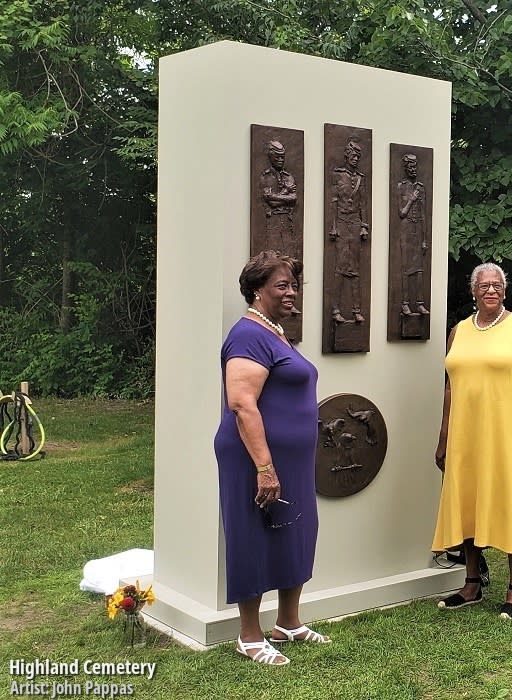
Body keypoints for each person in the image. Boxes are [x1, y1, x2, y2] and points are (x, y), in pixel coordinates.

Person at [213, 250, 329, 666]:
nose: (291, 292)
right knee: (254, 534)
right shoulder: (247, 335)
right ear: (257, 290)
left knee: (295, 531)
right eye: (282, 285)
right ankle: (249, 635)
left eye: (293, 285)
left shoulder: (275, 332)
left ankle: (289, 623)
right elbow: (242, 404)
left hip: (291, 460)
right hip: (255, 458)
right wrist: (264, 467)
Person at [431, 263, 512, 619]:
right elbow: (451, 386)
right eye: (484, 285)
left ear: (505, 291)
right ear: (473, 291)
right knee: (466, 502)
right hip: (467, 434)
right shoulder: (459, 331)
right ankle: (471, 583)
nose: (491, 290)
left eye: (497, 285)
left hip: (510, 432)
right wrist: (444, 436)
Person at [329, 138, 369, 324]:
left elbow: (363, 204)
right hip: (342, 224)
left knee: (355, 269)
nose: (355, 159)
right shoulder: (338, 175)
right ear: (347, 155)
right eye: (353, 155)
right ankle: (336, 309)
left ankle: (355, 310)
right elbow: (334, 202)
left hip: (354, 224)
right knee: (340, 267)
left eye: (358, 156)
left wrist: (364, 226)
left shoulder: (361, 178)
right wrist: (333, 226)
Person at [397, 153, 429, 317]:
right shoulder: (401, 187)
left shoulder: (421, 188)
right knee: (406, 269)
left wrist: (424, 239)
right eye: (410, 167)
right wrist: (411, 199)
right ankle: (405, 304)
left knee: (419, 270)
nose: (413, 170)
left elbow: (424, 215)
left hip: (417, 231)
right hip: (406, 231)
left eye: (415, 167)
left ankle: (420, 303)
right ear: (405, 168)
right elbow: (401, 213)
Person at [260, 140, 297, 253]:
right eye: (277, 157)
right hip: (274, 220)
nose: (281, 160)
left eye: (282, 157)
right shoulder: (265, 177)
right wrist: (286, 191)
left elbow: (294, 198)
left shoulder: (288, 176)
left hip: (287, 220)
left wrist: (273, 196)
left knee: (289, 254)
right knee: (273, 256)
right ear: (271, 157)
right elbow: (272, 203)